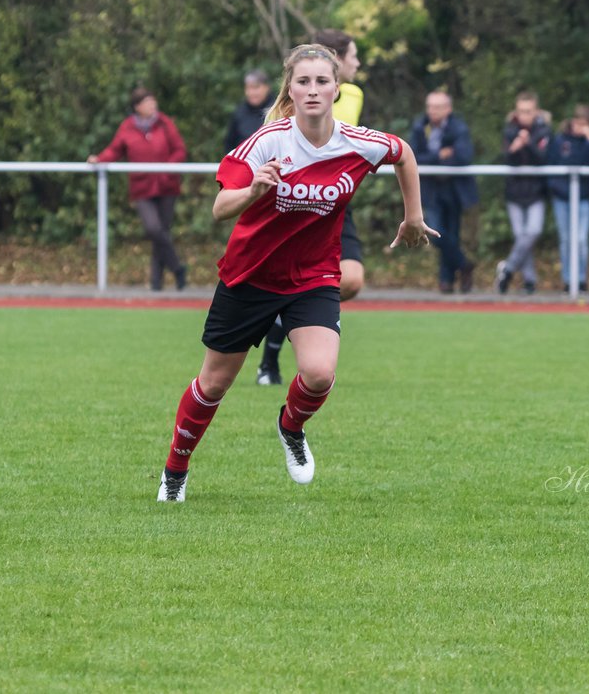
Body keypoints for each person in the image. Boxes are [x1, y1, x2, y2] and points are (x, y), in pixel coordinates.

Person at [155, 43, 436, 502]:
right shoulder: (270, 140)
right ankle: (175, 471)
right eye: (302, 81)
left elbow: (403, 152)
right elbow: (219, 206)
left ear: (336, 88)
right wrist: (253, 190)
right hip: (250, 276)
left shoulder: (357, 142)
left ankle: (291, 426)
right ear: (290, 87)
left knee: (320, 373)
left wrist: (413, 216)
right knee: (213, 385)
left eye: (322, 81)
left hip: (313, 277)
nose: (312, 90)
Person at [255, 29, 366, 386]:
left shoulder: (352, 94)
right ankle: (270, 359)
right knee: (290, 283)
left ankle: (304, 324)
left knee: (350, 280)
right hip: (293, 206)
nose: (357, 63)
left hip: (332, 203)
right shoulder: (297, 103)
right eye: (353, 56)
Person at [88, 88, 188, 291]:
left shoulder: (165, 123)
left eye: (153, 100)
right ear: (137, 107)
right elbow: (115, 150)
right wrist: (99, 159)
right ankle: (177, 268)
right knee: (154, 230)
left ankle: (156, 284)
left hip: (166, 186)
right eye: (147, 102)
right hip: (142, 188)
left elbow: (179, 150)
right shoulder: (127, 127)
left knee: (162, 233)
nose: (152, 105)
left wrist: (168, 168)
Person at [410, 91, 479, 293]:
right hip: (431, 189)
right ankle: (464, 264)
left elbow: (464, 156)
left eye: (437, 107)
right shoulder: (419, 126)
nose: (432, 111)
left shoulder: (459, 128)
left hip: (454, 189)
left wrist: (435, 158)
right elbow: (412, 156)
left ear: (448, 109)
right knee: (435, 231)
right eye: (429, 106)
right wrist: (439, 155)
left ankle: (446, 281)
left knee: (451, 235)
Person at [496, 91, 551, 294]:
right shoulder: (510, 131)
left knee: (533, 232)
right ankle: (530, 281)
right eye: (520, 111)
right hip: (515, 192)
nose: (524, 115)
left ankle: (507, 269)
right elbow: (504, 158)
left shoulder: (544, 131)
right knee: (521, 237)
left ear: (535, 111)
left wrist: (529, 145)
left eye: (528, 111)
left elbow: (545, 158)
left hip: (536, 192)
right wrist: (514, 148)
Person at [546, 104, 589, 293]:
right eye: (577, 123)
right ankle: (568, 280)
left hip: (583, 197)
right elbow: (553, 162)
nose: (579, 127)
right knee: (566, 240)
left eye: (584, 124)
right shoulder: (560, 140)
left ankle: (581, 278)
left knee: (580, 240)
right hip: (562, 198)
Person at [225, 69, 273, 153]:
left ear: (267, 88)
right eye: (248, 88)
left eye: (256, 87)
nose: (252, 92)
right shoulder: (239, 112)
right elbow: (229, 144)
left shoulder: (277, 110)